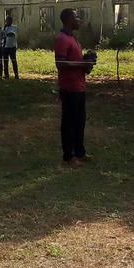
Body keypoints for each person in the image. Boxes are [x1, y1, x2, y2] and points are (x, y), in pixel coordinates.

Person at [55, 9, 94, 167]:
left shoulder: (73, 38)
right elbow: (60, 63)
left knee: (79, 122)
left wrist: (87, 61)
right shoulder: (62, 39)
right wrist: (82, 63)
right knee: (69, 123)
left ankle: (79, 152)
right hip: (69, 88)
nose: (79, 19)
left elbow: (75, 60)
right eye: (76, 17)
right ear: (68, 19)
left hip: (79, 87)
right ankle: (68, 156)